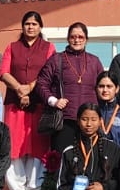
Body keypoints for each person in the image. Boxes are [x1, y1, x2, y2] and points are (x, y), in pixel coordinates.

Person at [1, 10, 56, 190]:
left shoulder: (49, 48)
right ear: (22, 26)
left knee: (37, 146)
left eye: (34, 24)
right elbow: (3, 72)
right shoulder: (12, 47)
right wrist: (19, 89)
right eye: (27, 24)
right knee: (14, 146)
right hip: (14, 105)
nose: (30, 27)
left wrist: (30, 89)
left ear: (40, 27)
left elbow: (50, 72)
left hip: (39, 104)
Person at [36, 21, 103, 153]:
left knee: (89, 162)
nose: (76, 40)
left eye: (80, 37)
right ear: (68, 39)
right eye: (73, 37)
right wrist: (54, 101)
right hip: (65, 121)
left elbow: (103, 87)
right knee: (62, 163)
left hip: (89, 122)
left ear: (86, 39)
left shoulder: (94, 61)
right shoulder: (57, 59)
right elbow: (41, 83)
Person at [96, 71, 120, 151]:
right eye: (101, 86)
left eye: (109, 86)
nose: (105, 90)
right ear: (96, 88)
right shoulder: (91, 113)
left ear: (117, 89)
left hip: (118, 161)